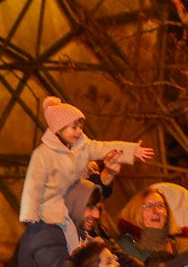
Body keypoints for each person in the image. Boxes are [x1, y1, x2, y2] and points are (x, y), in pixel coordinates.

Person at [19, 95, 153, 227]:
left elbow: (103, 147)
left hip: (74, 214)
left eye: (80, 127)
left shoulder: (82, 146)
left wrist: (131, 150)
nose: (79, 132)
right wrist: (31, 218)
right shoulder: (43, 154)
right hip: (49, 215)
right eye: (74, 127)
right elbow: (33, 187)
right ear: (58, 128)